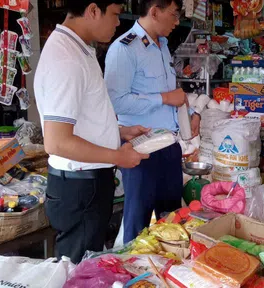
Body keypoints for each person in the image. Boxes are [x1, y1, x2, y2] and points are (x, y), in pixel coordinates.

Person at [34, 0, 150, 263]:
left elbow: (82, 118)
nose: (119, 23)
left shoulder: (78, 49)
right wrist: (118, 157)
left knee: (87, 265)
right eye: (115, 14)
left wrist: (119, 131)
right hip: (79, 188)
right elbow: (57, 142)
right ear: (93, 10)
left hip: (85, 184)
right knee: (78, 271)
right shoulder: (66, 59)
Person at [104, 0, 201, 243]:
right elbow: (116, 102)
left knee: (172, 223)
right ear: (155, 12)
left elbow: (169, 94)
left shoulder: (163, 46)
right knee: (138, 227)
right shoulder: (124, 48)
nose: (177, 21)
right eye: (174, 14)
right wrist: (165, 98)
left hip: (169, 147)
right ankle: (134, 278)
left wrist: (189, 116)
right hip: (141, 150)